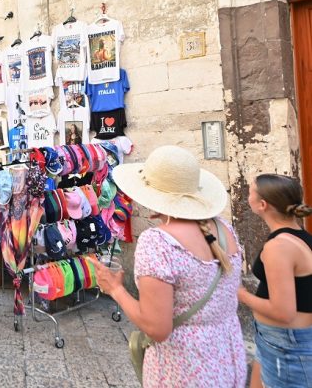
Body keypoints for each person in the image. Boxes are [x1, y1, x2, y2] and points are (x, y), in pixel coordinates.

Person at [93, 145, 246, 387]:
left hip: (185, 368)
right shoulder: (225, 229)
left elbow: (157, 328)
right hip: (227, 359)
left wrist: (116, 290)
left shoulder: (159, 243)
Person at [237, 174, 312, 388]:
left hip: (286, 346)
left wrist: (242, 295)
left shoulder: (279, 247)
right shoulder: (298, 236)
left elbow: (283, 312)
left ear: (262, 204)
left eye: (250, 192)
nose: (247, 197)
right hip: (275, 340)